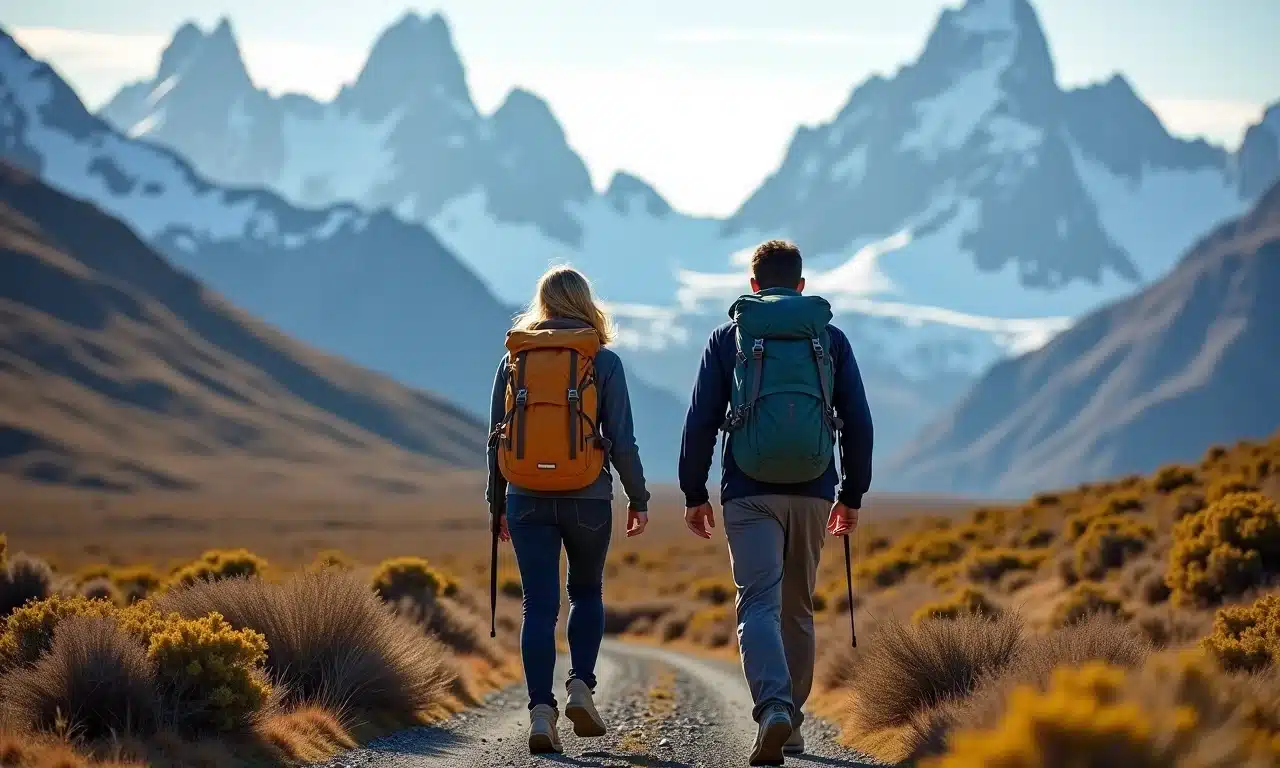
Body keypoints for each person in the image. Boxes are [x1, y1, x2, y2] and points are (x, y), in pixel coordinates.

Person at [679, 239, 873, 766]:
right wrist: (852, 493)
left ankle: (773, 708)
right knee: (798, 606)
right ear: (802, 286)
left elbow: (700, 419)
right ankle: (791, 723)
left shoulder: (729, 337)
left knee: (757, 601)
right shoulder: (829, 339)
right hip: (814, 488)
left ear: (754, 285)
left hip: (748, 490)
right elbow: (857, 420)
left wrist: (694, 492)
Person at [487, 265, 651, 755]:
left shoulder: (514, 358)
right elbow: (622, 439)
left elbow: (496, 436)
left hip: (525, 496)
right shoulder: (603, 361)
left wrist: (497, 503)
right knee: (586, 590)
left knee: (538, 605)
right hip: (587, 497)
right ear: (585, 303)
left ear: (542, 304)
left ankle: (541, 712)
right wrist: (638, 498)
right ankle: (581, 684)